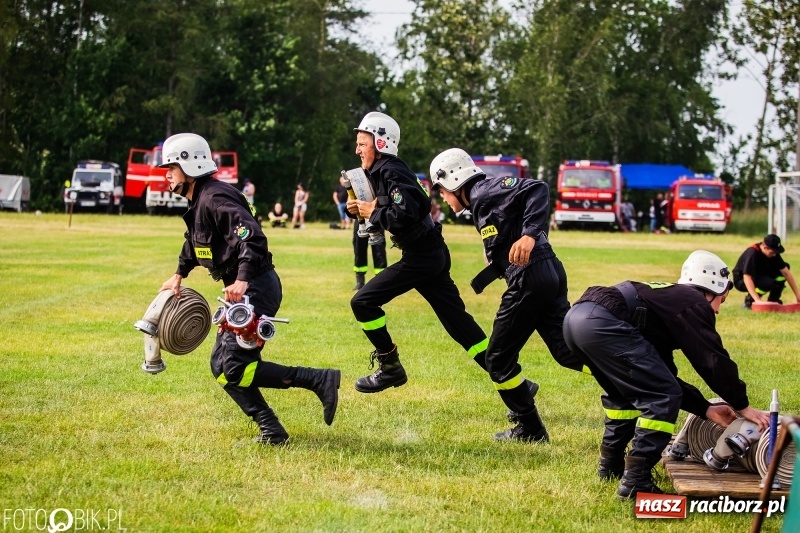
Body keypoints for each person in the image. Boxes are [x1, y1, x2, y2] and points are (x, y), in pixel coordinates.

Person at [157, 133, 340, 445]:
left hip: (255, 287)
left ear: (188, 165)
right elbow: (196, 241)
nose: (167, 174)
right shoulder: (200, 200)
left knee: (233, 366)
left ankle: (315, 382)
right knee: (222, 366)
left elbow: (251, 236)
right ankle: (275, 427)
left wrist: (242, 278)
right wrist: (179, 274)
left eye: (170, 167)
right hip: (243, 289)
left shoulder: (214, 198)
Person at [562, 250, 769, 499]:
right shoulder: (693, 302)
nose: (717, 311)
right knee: (661, 397)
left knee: (624, 396)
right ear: (709, 288)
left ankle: (611, 466)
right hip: (602, 323)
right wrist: (742, 405)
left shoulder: (666, 302)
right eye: (721, 301)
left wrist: (705, 408)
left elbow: (667, 378)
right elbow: (712, 360)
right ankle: (635, 482)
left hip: (578, 320)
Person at [346, 112, 497, 426]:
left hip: (422, 256)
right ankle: (513, 380)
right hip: (429, 253)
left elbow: (411, 209)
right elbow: (395, 209)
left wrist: (373, 210)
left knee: (362, 301)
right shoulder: (380, 171)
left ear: (381, 142)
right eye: (358, 144)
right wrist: (366, 210)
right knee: (461, 327)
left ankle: (390, 367)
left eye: (363, 143)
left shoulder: (391, 168)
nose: (358, 150)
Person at [429, 148, 585, 443]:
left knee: (498, 360)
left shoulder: (485, 191)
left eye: (442, 192)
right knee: (567, 352)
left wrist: (530, 233)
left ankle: (531, 430)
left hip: (530, 280)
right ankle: (622, 381)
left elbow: (537, 189)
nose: (443, 200)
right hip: (546, 273)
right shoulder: (479, 202)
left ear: (453, 180)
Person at [733, 233, 800, 308]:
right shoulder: (752, 253)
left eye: (776, 252)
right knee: (767, 283)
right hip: (741, 280)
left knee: (784, 268)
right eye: (772, 252)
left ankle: (774, 300)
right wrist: (757, 300)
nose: (774, 255)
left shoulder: (773, 253)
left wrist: (798, 295)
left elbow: (786, 273)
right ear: (765, 247)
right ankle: (750, 301)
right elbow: (747, 278)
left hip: (758, 273)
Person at [352, 223, 387, 290]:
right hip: (359, 219)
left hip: (375, 219)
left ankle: (381, 282)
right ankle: (360, 282)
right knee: (359, 251)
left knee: (379, 252)